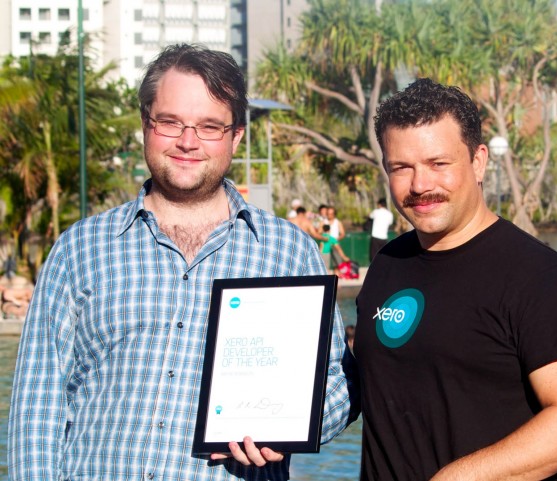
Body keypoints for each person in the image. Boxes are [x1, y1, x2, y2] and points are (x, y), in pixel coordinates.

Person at [8, 44, 352, 481]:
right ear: (145, 124)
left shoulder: (289, 252)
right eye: (170, 122)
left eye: (209, 126)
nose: (188, 142)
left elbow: (337, 383)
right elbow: (37, 407)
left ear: (236, 136)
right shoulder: (80, 249)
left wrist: (287, 428)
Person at [354, 78, 557, 480]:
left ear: (478, 161)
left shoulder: (543, 278)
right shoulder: (388, 262)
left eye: (438, 164)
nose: (420, 185)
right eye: (401, 168)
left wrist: (458, 477)